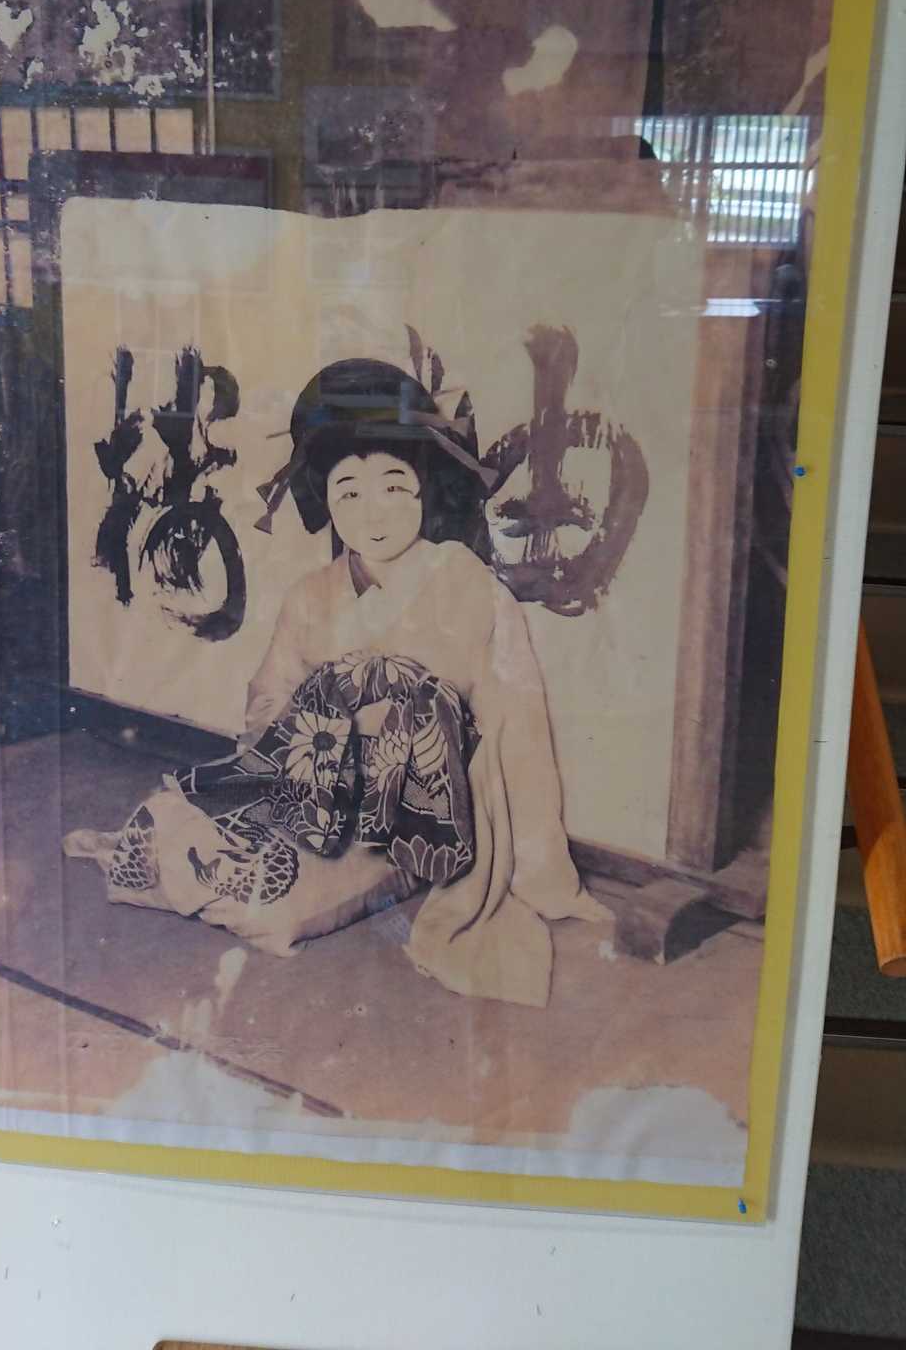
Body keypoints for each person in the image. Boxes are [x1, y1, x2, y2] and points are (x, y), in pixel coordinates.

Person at [66, 359, 605, 1007]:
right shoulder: (311, 595)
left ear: (423, 492)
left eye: (393, 486)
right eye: (348, 492)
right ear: (327, 501)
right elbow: (268, 702)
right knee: (192, 837)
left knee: (269, 909)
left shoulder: (468, 585)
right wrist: (309, 746)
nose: (372, 512)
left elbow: (519, 731)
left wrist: (545, 875)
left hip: (411, 815)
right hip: (318, 790)